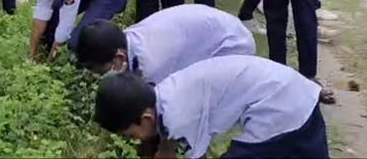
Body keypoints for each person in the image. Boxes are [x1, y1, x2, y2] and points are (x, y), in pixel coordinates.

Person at [95, 56, 329, 159]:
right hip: (295, 92)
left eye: (130, 134)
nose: (134, 140)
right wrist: (166, 148)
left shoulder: (177, 117)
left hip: (278, 108)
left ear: (146, 119)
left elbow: (195, 152)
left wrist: (166, 149)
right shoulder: (163, 95)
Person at [76, 4, 255, 85]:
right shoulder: (125, 40)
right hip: (207, 33)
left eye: (95, 69)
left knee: (199, 100)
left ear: (119, 57)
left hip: (231, 45)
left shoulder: (151, 66)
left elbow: (158, 108)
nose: (94, 74)